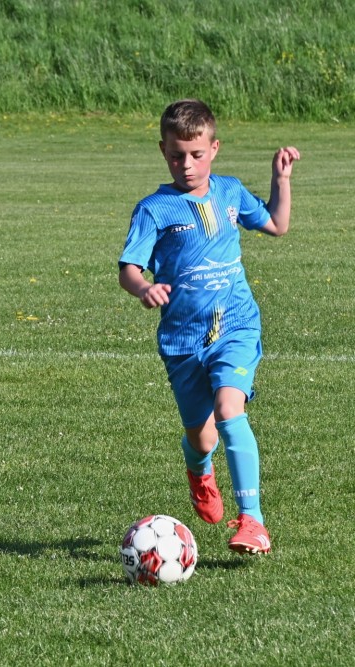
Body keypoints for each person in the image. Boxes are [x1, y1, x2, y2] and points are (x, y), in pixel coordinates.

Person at [119, 99, 300, 554]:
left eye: (196, 154)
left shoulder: (230, 192)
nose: (186, 164)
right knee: (202, 437)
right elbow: (129, 269)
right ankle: (200, 470)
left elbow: (277, 225)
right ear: (163, 151)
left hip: (237, 326)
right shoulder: (154, 209)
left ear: (214, 149)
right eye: (176, 155)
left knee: (228, 409)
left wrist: (280, 179)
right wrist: (144, 288)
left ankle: (253, 521)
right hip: (183, 341)